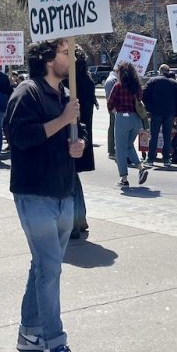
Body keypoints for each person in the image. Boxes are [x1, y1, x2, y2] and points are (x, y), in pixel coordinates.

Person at [5, 38, 86, 352]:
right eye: (66, 52)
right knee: (50, 269)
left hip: (63, 192)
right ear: (48, 58)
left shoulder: (64, 96)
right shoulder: (28, 92)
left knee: (42, 265)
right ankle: (54, 344)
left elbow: (69, 136)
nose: (72, 57)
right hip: (35, 193)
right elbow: (20, 137)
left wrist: (78, 144)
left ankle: (29, 331)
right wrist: (63, 119)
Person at [107, 62, 148, 187]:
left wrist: (114, 110)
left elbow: (110, 103)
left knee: (120, 149)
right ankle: (141, 168)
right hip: (136, 119)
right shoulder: (137, 87)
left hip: (122, 118)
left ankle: (124, 179)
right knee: (129, 145)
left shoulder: (118, 86)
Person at [72, 49, 98, 238]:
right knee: (73, 179)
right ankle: (79, 219)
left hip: (74, 134)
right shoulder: (87, 80)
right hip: (84, 134)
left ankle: (74, 222)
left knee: (69, 180)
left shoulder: (71, 82)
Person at [142, 64, 177, 167]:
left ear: (159, 71)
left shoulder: (152, 81)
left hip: (156, 112)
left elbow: (144, 95)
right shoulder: (174, 83)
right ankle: (166, 159)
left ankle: (150, 159)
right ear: (168, 71)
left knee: (154, 135)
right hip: (170, 113)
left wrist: (149, 107)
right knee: (167, 136)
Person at [104, 68, 118, 158]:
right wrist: (113, 109)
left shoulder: (112, 79)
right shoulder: (112, 80)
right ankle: (112, 150)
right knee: (113, 127)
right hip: (114, 108)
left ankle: (113, 149)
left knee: (114, 127)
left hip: (114, 107)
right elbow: (110, 97)